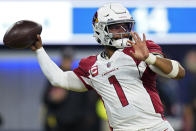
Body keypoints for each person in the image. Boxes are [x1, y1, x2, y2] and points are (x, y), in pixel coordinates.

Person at [31, 3, 185, 131]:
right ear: (100, 29)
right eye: (116, 27)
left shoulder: (140, 49)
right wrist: (39, 50)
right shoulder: (90, 66)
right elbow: (59, 79)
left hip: (155, 127)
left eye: (126, 26)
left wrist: (149, 58)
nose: (123, 32)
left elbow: (178, 72)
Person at [42, 47, 100, 131]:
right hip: (59, 123)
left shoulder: (77, 77)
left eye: (69, 59)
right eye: (65, 58)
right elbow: (45, 99)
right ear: (61, 59)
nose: (67, 61)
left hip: (77, 123)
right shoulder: (54, 77)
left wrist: (88, 118)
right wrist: (52, 98)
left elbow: (87, 101)